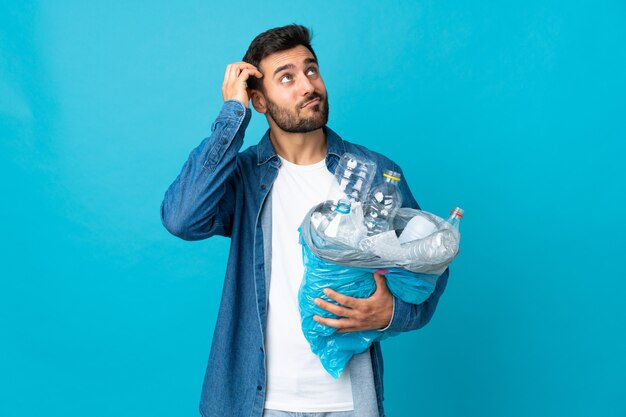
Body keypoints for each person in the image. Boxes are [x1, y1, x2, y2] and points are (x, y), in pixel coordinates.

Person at [161, 24, 449, 417]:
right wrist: (232, 115)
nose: (307, 85)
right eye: (287, 78)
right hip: (258, 402)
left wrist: (392, 314)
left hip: (350, 401)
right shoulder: (244, 177)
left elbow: (429, 264)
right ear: (259, 100)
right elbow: (182, 218)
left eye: (311, 70)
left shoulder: (375, 171)